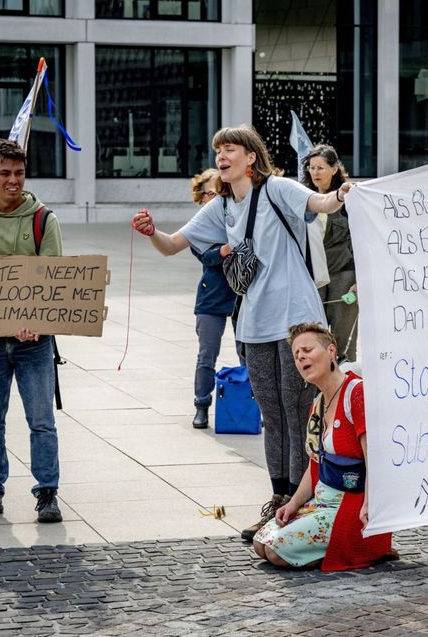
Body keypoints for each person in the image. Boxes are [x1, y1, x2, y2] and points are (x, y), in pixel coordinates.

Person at [131, 125, 352, 541]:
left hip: (295, 320)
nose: (222, 156)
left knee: (297, 409)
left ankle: (301, 505)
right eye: (218, 150)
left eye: (230, 149)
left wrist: (339, 194)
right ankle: (278, 500)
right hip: (252, 325)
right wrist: (150, 232)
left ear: (251, 157)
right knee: (272, 415)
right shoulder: (221, 206)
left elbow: (320, 202)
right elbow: (172, 245)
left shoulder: (278, 189)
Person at [0, 138, 63, 524]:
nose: (13, 180)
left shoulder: (43, 220)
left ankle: (47, 494)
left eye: (19, 173)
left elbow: (52, 283)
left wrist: (37, 323)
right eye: (4, 173)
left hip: (33, 344)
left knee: (41, 421)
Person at [252, 322, 394, 570]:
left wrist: (372, 504)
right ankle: (334, 543)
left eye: (307, 350)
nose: (301, 358)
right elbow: (315, 464)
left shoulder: (356, 392)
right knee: (260, 543)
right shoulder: (318, 403)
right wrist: (293, 503)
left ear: (331, 351)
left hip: (351, 506)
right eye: (296, 355)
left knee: (276, 552)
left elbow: (375, 455)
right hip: (322, 502)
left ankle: (365, 546)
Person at [186, 168, 237, 429]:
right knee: (207, 355)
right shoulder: (196, 227)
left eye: (219, 191)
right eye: (209, 192)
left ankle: (252, 404)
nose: (215, 196)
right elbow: (206, 257)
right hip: (212, 295)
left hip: (242, 294)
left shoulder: (237, 216)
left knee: (250, 354)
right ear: (201, 197)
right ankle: (201, 404)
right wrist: (224, 250)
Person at [301, 145, 358, 362]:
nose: (314, 173)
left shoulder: (349, 198)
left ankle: (348, 388)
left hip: (344, 276)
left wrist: (359, 281)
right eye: (311, 168)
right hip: (313, 277)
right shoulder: (303, 198)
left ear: (334, 169)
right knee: (314, 337)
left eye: (320, 168)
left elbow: (362, 241)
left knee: (343, 341)